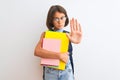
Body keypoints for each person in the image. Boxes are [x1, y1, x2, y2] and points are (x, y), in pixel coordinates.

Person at [34, 5, 82, 80]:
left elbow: (75, 42)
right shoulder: (45, 34)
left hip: (66, 71)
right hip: (50, 73)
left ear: (66, 18)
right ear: (51, 20)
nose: (60, 21)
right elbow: (37, 51)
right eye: (56, 19)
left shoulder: (68, 35)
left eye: (62, 18)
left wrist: (77, 41)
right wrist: (58, 55)